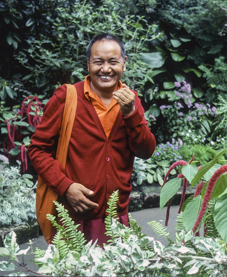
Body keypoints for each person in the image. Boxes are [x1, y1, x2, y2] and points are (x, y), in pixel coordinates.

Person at [28, 33, 156, 245]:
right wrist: (65, 186)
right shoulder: (67, 97)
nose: (106, 69)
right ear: (88, 64)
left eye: (113, 62)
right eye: (98, 62)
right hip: (75, 219)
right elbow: (37, 149)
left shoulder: (131, 101)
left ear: (124, 64)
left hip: (116, 216)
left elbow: (146, 151)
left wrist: (131, 113)